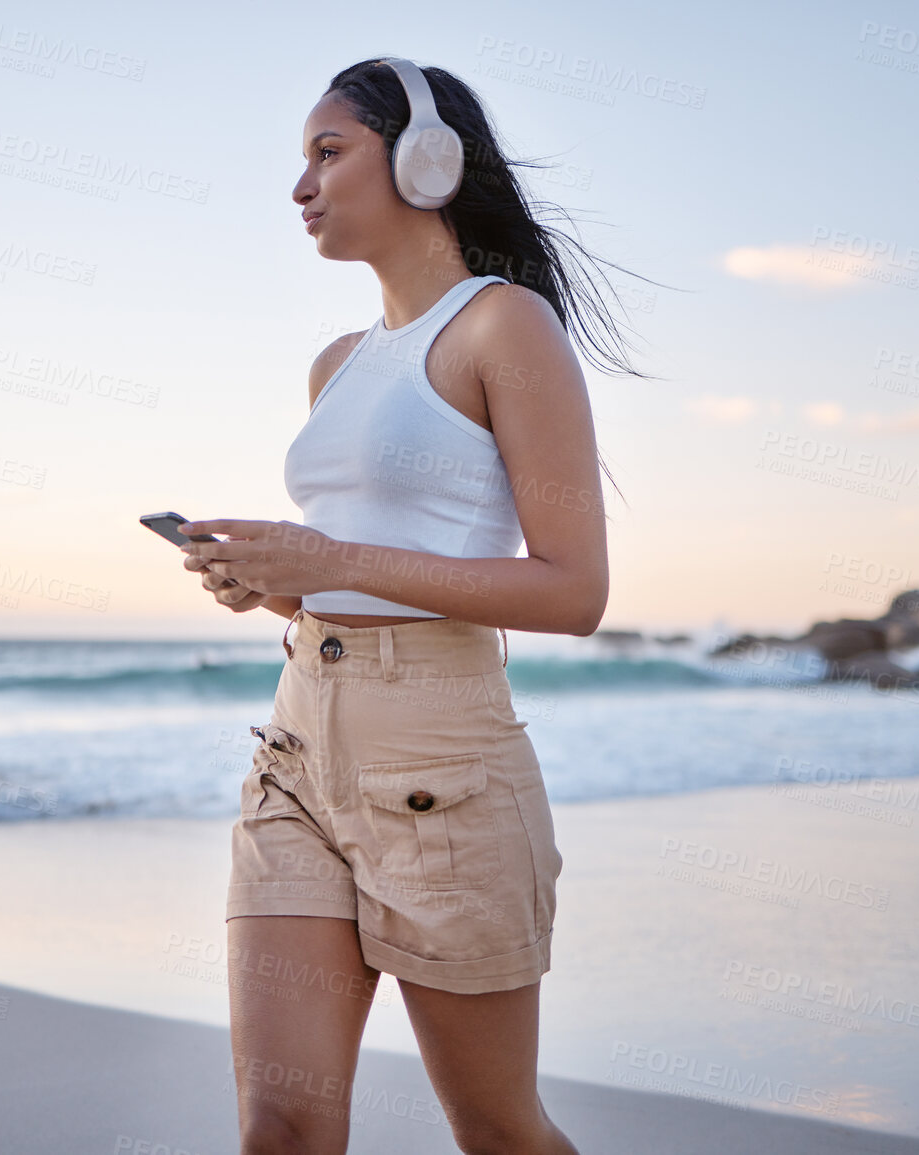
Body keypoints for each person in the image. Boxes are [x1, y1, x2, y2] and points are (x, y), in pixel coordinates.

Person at [178, 57, 661, 1155]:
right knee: (282, 1128)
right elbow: (355, 572)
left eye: (328, 153)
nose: (301, 186)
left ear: (426, 158)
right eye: (299, 160)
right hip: (299, 746)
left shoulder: (504, 328)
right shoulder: (338, 365)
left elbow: (574, 591)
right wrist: (275, 581)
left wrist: (334, 551)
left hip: (443, 764)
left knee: (495, 1130)